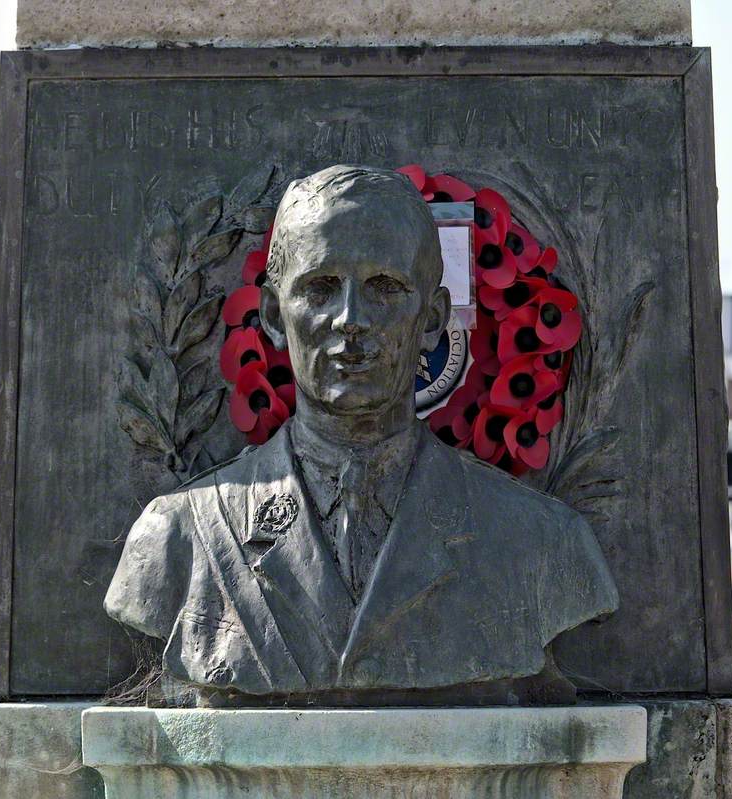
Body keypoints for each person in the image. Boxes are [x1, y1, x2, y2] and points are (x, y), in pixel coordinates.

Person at [105, 165, 617, 706]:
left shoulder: (541, 544)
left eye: (384, 288)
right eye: (320, 289)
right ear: (274, 316)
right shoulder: (176, 540)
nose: (351, 318)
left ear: (432, 319)